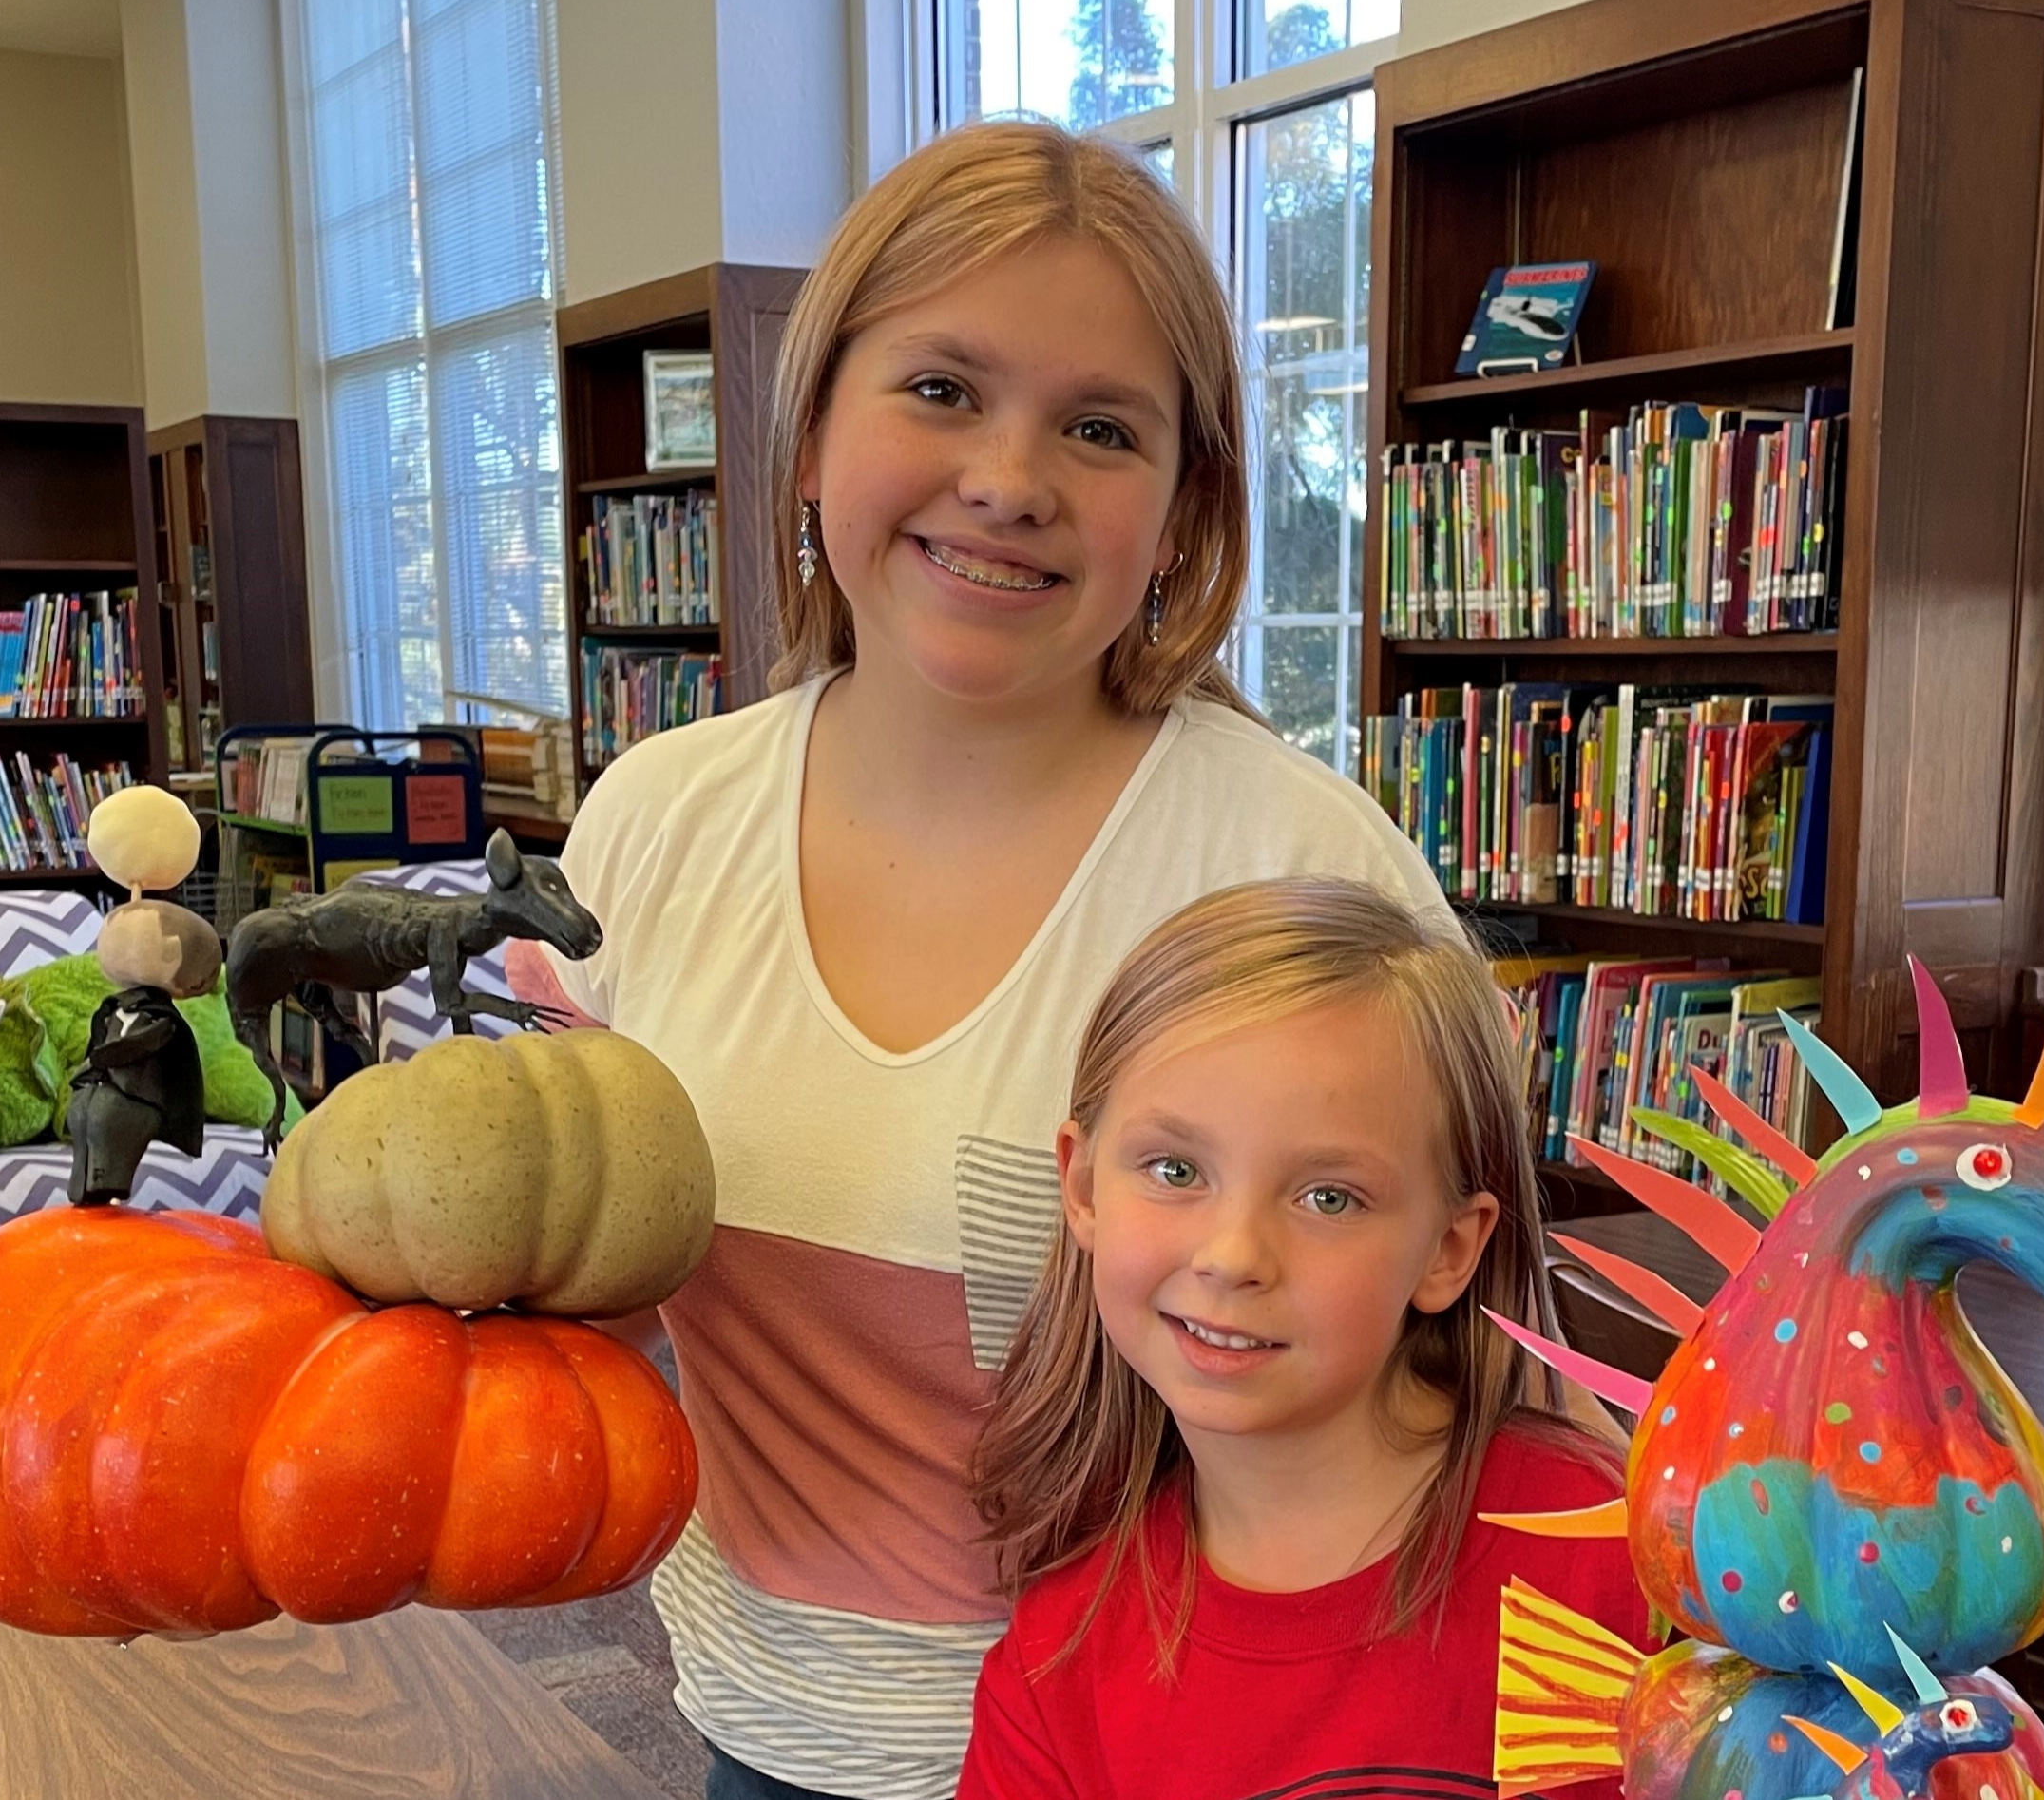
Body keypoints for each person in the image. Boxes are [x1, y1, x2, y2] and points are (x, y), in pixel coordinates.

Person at [525, 121, 1459, 1800]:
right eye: (941, 390)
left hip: (1184, 1749)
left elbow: (1444, 1364)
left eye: (1099, 427)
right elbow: (547, 1272)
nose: (1010, 478)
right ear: (809, 435)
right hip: (761, 1720)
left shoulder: (1302, 877)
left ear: (1182, 510)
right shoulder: (654, 825)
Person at [959, 877, 1639, 1797]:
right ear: (1081, 1189)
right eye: (1174, 1169)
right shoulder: (1059, 1657)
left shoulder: (1613, 1560)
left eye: (1330, 1197)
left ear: (1447, 1249)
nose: (1233, 1255)